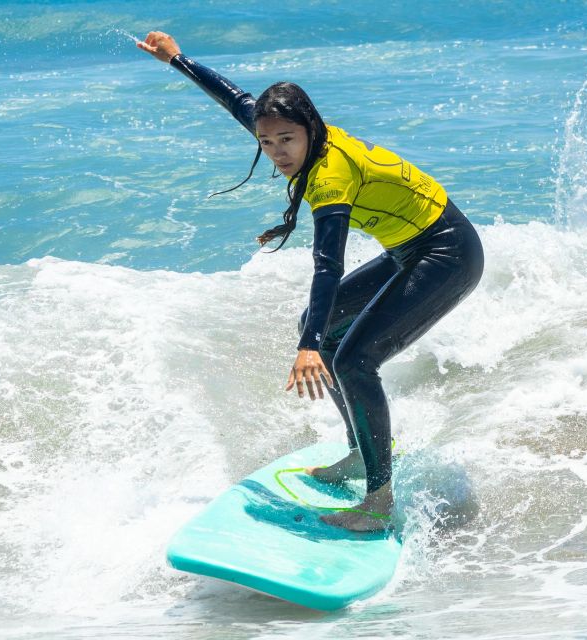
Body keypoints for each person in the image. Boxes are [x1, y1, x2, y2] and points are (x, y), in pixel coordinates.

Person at [138, 32, 484, 532]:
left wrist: (307, 347)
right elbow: (236, 99)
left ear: (309, 129)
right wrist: (176, 59)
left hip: (447, 251)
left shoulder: (330, 176)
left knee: (354, 359)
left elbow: (328, 265)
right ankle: (362, 456)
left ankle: (378, 500)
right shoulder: (287, 132)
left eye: (286, 140)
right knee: (325, 331)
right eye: (267, 141)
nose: (277, 152)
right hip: (408, 248)